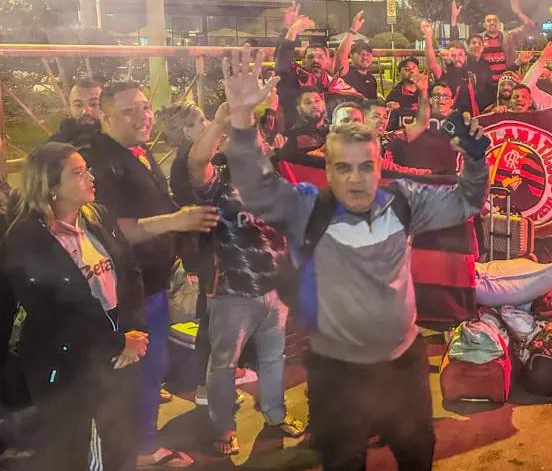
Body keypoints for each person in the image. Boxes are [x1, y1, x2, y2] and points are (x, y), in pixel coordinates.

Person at [220, 47, 490, 471]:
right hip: (336, 374)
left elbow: (467, 202)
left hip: (403, 368)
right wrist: (240, 120)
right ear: (326, 171)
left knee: (418, 457)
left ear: (380, 167)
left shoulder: (405, 203)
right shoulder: (306, 210)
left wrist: (476, 160)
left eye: (366, 167)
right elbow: (256, 188)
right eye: (343, 168)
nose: (356, 179)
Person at [81, 80, 219, 468]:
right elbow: (106, 227)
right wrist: (175, 220)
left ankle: (141, 441)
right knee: (141, 368)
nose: (143, 116)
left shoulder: (135, 151)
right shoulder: (101, 161)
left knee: (152, 366)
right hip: (129, 288)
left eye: (145, 107)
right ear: (103, 116)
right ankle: (140, 449)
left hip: (154, 280)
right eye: (130, 111)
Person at [163, 102, 305, 456]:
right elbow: (196, 163)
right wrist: (223, 120)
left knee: (273, 358)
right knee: (223, 363)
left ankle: (275, 414)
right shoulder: (218, 185)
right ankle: (223, 426)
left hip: (275, 290)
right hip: (231, 292)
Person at [0, 143, 148, 471]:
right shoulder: (25, 240)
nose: (90, 177)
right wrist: (117, 343)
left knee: (121, 441)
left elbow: (130, 272)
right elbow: (54, 314)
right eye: (78, 173)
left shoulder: (96, 217)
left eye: (87, 169)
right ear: (51, 187)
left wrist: (135, 330)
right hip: (70, 366)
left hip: (119, 349)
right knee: (79, 451)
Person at [362, 98, 432, 175]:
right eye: (376, 116)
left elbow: (421, 123)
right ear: (362, 118)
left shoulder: (389, 138)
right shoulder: (356, 145)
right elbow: (395, 170)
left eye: (385, 117)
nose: (382, 121)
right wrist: (423, 173)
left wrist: (423, 90)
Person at [334, 11, 380, 100]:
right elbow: (341, 57)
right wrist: (353, 30)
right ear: (351, 55)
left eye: (368, 54)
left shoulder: (371, 79)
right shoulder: (346, 73)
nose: (365, 57)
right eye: (360, 54)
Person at [48, 78, 103, 147]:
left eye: (94, 104)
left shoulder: (118, 140)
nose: (86, 112)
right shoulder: (54, 147)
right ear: (69, 108)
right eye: (78, 105)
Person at [385, 58, 430, 131]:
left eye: (414, 68)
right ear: (399, 73)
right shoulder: (395, 93)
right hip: (405, 132)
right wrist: (389, 106)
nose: (411, 71)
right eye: (407, 69)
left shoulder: (428, 88)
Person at [282, 87, 330, 155]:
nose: (314, 105)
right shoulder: (291, 137)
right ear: (299, 108)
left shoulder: (336, 130)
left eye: (317, 101)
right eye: (308, 102)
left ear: (323, 103)